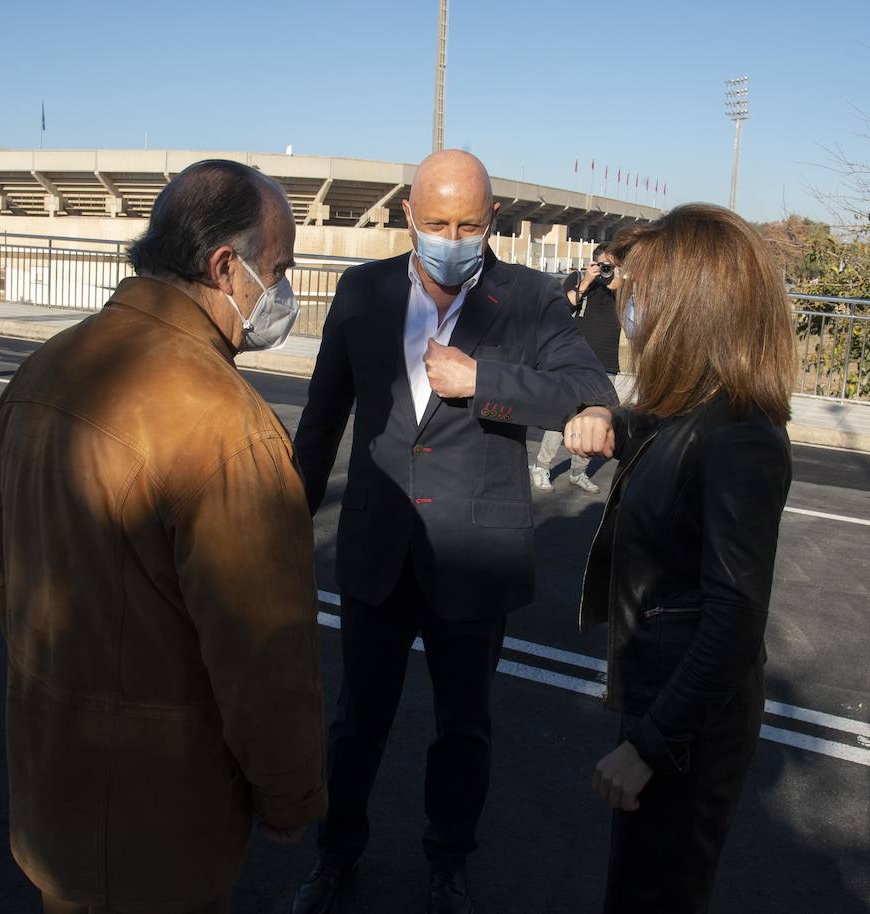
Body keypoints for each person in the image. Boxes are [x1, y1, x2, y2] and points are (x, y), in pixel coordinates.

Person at [0, 159, 327, 914]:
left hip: (52, 788)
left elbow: (6, 581)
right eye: (280, 269)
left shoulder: (42, 372)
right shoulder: (226, 425)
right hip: (160, 821)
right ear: (224, 267)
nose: (285, 292)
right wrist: (289, 792)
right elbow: (265, 656)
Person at [290, 150, 617, 914]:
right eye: (436, 222)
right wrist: (287, 519)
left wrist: (485, 383)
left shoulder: (532, 298)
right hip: (378, 547)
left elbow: (588, 388)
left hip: (475, 556)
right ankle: (336, 855)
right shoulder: (362, 290)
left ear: (491, 220)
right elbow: (323, 415)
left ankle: (449, 863)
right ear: (408, 215)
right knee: (355, 721)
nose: (451, 236)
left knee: (463, 727)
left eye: (468, 223)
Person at [563, 203, 797, 913]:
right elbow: (658, 428)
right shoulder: (697, 410)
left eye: (643, 289)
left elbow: (734, 620)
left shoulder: (742, 437)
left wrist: (652, 748)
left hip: (685, 732)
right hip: (660, 701)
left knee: (656, 896)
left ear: (694, 303)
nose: (630, 304)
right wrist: (611, 417)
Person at [531, 244, 625, 494]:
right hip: (575, 362)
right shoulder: (578, 279)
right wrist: (586, 281)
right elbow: (563, 308)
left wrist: (622, 281)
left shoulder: (622, 288)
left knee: (595, 422)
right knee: (562, 415)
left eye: (612, 265)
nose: (607, 270)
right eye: (604, 264)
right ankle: (541, 466)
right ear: (594, 263)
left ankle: (578, 472)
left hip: (607, 364)